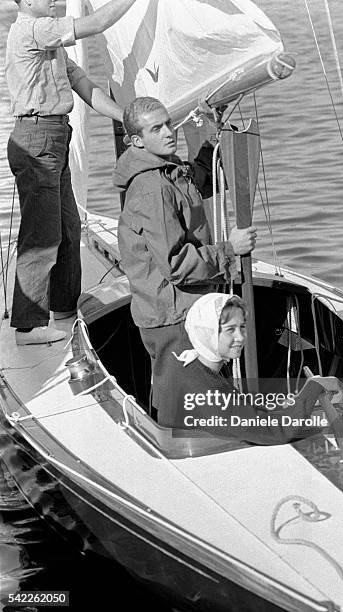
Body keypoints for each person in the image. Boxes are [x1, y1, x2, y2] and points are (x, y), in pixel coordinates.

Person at [115, 96, 257, 419]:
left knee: (183, 397)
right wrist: (230, 250)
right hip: (173, 317)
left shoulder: (166, 170)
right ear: (136, 140)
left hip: (175, 309)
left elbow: (196, 179)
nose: (169, 132)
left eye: (168, 123)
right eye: (157, 128)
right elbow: (176, 263)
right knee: (182, 405)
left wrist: (212, 135)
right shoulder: (152, 188)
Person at [6, 0, 138, 346]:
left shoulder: (52, 44)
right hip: (38, 138)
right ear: (27, 2)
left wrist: (127, 117)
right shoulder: (34, 30)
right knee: (42, 235)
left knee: (67, 226)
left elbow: (84, 86)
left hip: (54, 136)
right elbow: (95, 23)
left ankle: (64, 308)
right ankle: (28, 326)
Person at [163, 292, 325, 445]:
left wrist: (282, 406)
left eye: (242, 327)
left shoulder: (189, 364)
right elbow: (277, 431)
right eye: (229, 330)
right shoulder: (206, 394)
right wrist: (315, 386)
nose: (240, 337)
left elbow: (238, 411)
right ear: (208, 333)